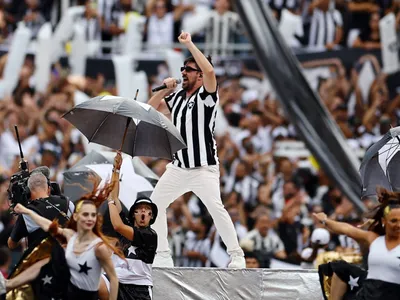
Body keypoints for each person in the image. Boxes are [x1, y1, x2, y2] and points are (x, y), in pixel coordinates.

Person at [148, 31, 245, 268]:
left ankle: (236, 255)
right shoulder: (178, 97)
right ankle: (162, 254)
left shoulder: (207, 96)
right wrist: (163, 90)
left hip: (203, 167)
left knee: (215, 208)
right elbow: (147, 110)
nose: (183, 72)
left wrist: (189, 44)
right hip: (179, 166)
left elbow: (210, 71)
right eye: (183, 69)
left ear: (199, 76)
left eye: (189, 70)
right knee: (154, 205)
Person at [4, 182, 121, 300]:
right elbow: (49, 226)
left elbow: (114, 279)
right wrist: (27, 211)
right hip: (66, 293)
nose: (89, 218)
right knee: (49, 258)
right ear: (76, 217)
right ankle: (9, 284)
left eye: (93, 215)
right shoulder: (71, 235)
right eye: (85, 214)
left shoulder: (98, 247)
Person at [313, 188, 400, 300]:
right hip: (368, 295)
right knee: (340, 268)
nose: (397, 225)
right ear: (384, 221)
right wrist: (325, 220)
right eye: (393, 221)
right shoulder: (373, 238)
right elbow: (347, 229)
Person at [99, 151, 157, 300]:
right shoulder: (127, 223)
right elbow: (115, 197)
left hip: (139, 287)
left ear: (151, 217)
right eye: (140, 208)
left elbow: (117, 225)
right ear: (134, 214)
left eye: (148, 210)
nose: (144, 211)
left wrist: (110, 201)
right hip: (115, 281)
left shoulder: (150, 235)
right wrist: (116, 169)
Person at [8, 171, 74, 250]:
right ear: (49, 189)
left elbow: (11, 244)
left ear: (28, 192)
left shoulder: (27, 212)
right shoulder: (68, 203)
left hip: (43, 260)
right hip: (68, 256)